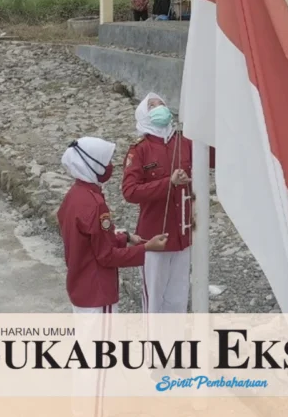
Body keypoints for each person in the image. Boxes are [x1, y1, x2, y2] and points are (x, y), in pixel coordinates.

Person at [58, 136, 170, 314]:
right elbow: (106, 256)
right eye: (107, 161)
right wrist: (146, 248)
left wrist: (124, 238)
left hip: (80, 284)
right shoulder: (95, 204)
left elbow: (90, 240)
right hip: (98, 290)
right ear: (93, 164)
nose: (111, 166)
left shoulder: (74, 196)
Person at [122, 93, 211, 314]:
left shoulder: (185, 141)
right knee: (154, 300)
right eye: (151, 105)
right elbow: (130, 191)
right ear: (144, 113)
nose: (158, 107)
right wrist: (167, 183)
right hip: (154, 237)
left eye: (161, 102)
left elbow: (213, 156)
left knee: (177, 299)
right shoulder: (140, 149)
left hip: (183, 235)